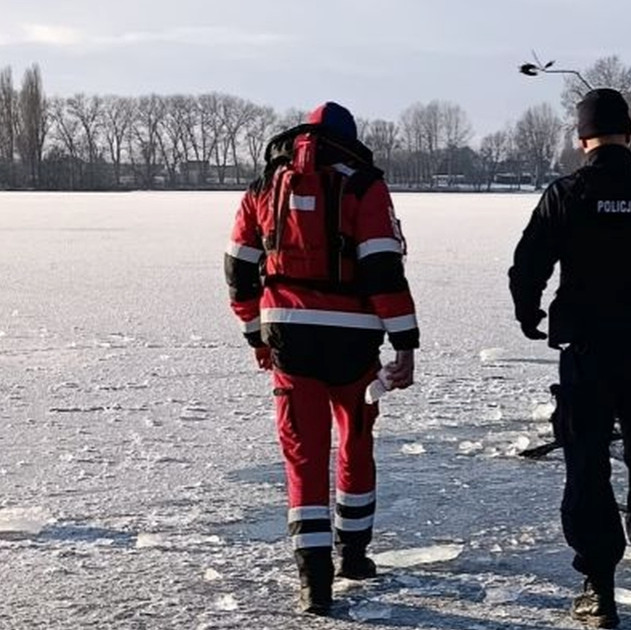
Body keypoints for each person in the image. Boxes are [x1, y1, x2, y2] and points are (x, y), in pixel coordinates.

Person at [508, 88, 631, 628]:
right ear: (629, 136)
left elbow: (528, 265)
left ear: (581, 137)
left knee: (587, 465)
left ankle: (599, 591)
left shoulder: (567, 193)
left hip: (588, 352)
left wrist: (529, 314)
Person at [224, 102, 419, 616]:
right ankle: (353, 554)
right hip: (354, 342)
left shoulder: (264, 186)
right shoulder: (365, 186)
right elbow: (382, 269)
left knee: (303, 456)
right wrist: (405, 341)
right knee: (354, 439)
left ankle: (314, 581)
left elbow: (238, 269)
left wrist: (256, 336)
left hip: (288, 335)